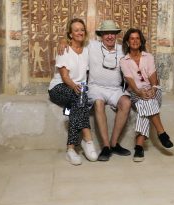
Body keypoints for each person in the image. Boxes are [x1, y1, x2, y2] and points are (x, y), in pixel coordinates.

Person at [59, 20, 133, 161]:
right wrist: (63, 41)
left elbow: (138, 53)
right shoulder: (92, 46)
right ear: (101, 36)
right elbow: (75, 40)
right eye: (106, 34)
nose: (110, 36)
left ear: (116, 35)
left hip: (115, 89)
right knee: (99, 102)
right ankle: (105, 147)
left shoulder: (123, 49)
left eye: (113, 33)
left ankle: (114, 144)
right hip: (95, 88)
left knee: (126, 103)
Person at [48, 18, 98, 165]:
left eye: (82, 29)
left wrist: (80, 88)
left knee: (77, 102)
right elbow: (64, 77)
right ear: (70, 34)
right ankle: (87, 140)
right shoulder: (64, 50)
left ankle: (71, 149)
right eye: (76, 30)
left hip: (76, 92)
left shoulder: (87, 51)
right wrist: (76, 87)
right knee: (79, 96)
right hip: (59, 88)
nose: (80, 32)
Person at [120, 28, 174, 162]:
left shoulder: (148, 57)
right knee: (145, 102)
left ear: (141, 41)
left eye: (137, 38)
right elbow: (130, 82)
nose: (135, 41)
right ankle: (162, 133)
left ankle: (139, 147)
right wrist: (139, 92)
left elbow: (153, 78)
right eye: (132, 38)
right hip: (135, 93)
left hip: (153, 90)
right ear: (127, 41)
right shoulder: (124, 61)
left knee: (146, 104)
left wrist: (153, 90)